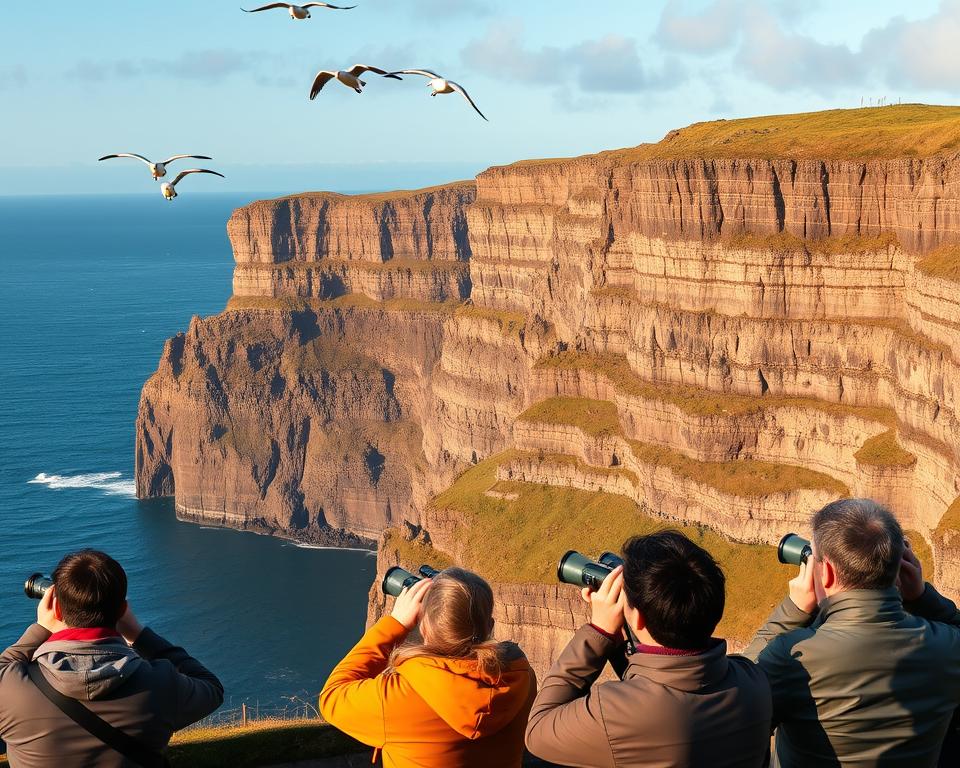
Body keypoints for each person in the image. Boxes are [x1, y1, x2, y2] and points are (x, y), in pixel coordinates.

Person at [525, 529, 772, 767]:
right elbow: (659, 688)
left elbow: (538, 731)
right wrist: (621, 639)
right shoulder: (753, 683)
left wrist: (599, 632)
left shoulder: (613, 714)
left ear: (639, 619)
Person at [743, 498, 960, 767]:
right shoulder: (949, 648)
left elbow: (738, 693)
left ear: (828, 573)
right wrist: (923, 597)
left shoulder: (790, 658)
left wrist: (793, 610)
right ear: (902, 565)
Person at [0, 549, 223, 768]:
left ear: (56, 610)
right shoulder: (161, 684)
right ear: (122, 610)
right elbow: (211, 687)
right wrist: (139, 633)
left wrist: (40, 629)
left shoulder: (12, 690)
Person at [319, 567, 536, 768]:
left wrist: (396, 623)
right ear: (490, 626)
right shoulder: (520, 676)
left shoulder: (397, 697)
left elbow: (331, 696)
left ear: (423, 624)